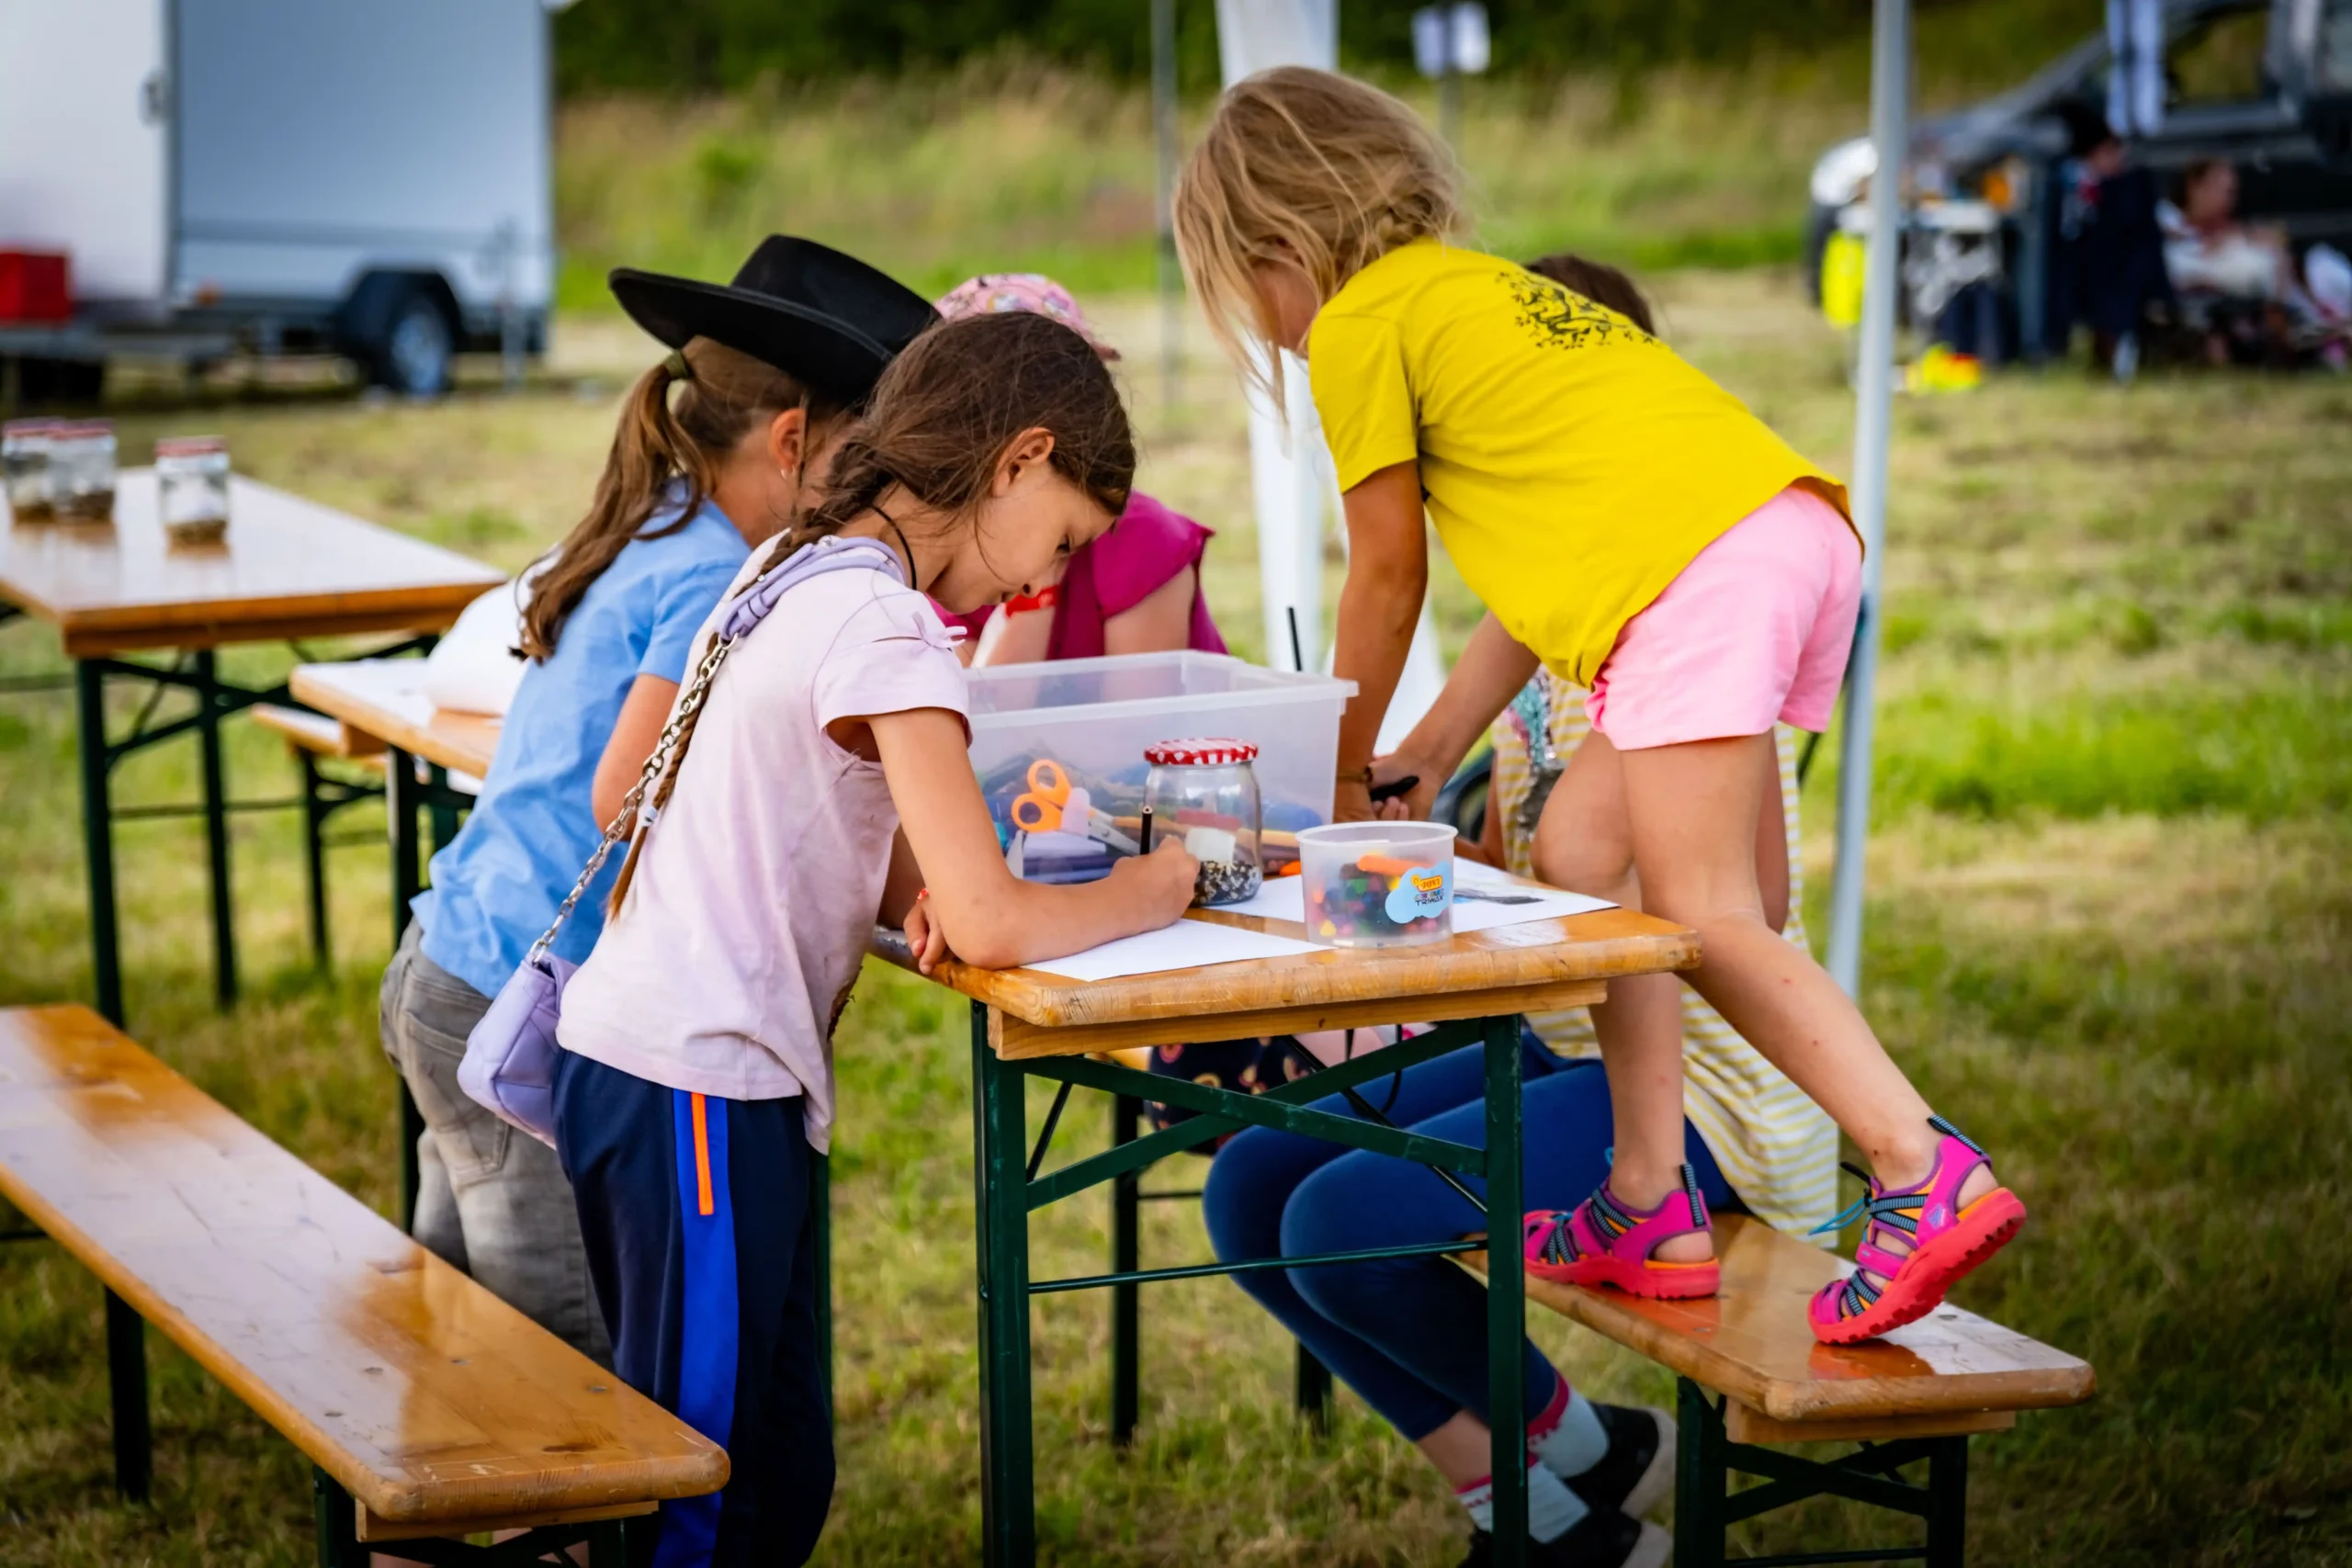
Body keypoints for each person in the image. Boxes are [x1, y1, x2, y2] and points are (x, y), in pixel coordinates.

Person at [1174, 61, 2021, 1502]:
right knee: (1625, 894)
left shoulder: (1363, 322)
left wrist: (1327, 773)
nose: (1261, 322)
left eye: (1239, 290)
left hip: (1702, 573)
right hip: (1781, 528)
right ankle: (1650, 1198)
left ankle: (1918, 1163)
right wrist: (1431, 747)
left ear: (1276, 247)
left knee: (1702, 910)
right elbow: (1544, 566)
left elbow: (1385, 574)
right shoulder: (1479, 291)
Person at [1194, 257, 1831, 1568]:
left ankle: (1561, 1501)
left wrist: (1543, 870)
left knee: (1336, 1225)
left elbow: (1744, 905)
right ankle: (1566, 1482)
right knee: (1254, 1182)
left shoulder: (1690, 649)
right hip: (1559, 1044)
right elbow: (1507, 864)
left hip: (1701, 1102)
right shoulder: (1551, 637)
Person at [548, 310, 1201, 1565]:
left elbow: (889, 844)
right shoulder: (889, 626)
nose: (1041, 582)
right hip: (696, 1082)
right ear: (1016, 459)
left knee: (777, 1471)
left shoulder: (796, 566)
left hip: (671, 1074)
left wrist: (927, 884)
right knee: (705, 1495)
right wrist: (1158, 884)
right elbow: (996, 912)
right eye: (1059, 535)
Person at [377, 237, 934, 1363]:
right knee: (568, 1385)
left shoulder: (659, 524)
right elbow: (625, 794)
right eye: (868, 469)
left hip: (456, 965)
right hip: (514, 1000)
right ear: (793, 445)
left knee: (451, 1365)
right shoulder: (705, 575)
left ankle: (426, 1533)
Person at [925, 273, 1227, 664]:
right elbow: (975, 715)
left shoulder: (1141, 536)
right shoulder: (959, 552)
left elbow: (1139, 720)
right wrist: (1038, 594)